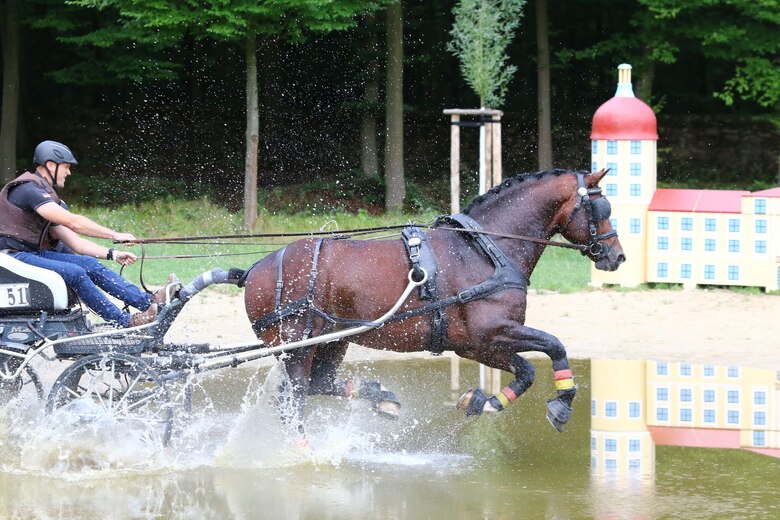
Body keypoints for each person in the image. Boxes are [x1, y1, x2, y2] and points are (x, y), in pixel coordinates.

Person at [0, 140, 170, 327]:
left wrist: (113, 254)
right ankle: (126, 322)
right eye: (66, 167)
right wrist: (115, 234)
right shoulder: (29, 189)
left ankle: (150, 302)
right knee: (76, 273)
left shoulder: (44, 194)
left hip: (30, 254)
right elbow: (73, 222)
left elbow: (76, 243)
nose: (69, 172)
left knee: (90, 264)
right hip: (13, 258)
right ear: (51, 165)